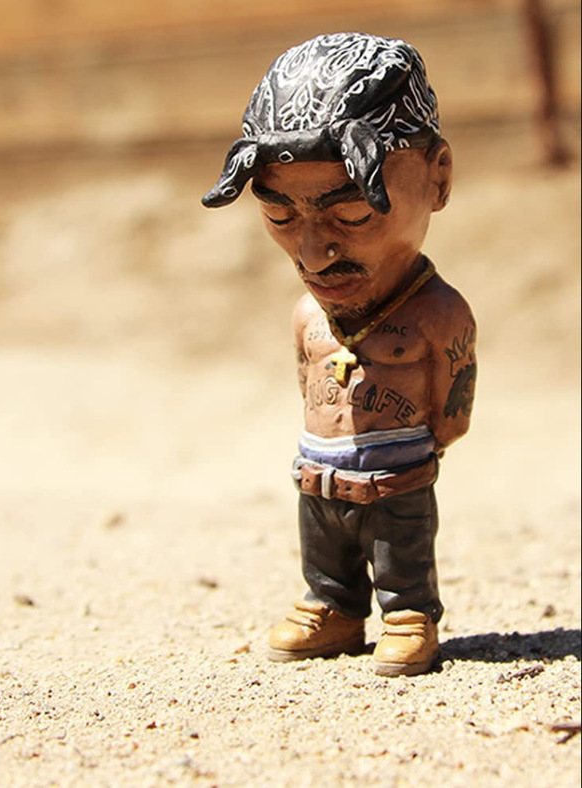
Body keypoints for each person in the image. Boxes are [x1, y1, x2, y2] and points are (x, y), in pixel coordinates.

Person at [202, 33, 476, 676]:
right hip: (320, 470)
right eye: (279, 216)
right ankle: (333, 605)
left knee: (401, 540)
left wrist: (421, 448)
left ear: (437, 177)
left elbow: (454, 403)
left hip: (398, 470)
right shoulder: (308, 315)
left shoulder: (438, 315)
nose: (312, 252)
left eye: (351, 214)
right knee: (323, 541)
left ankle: (408, 613)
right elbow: (307, 381)